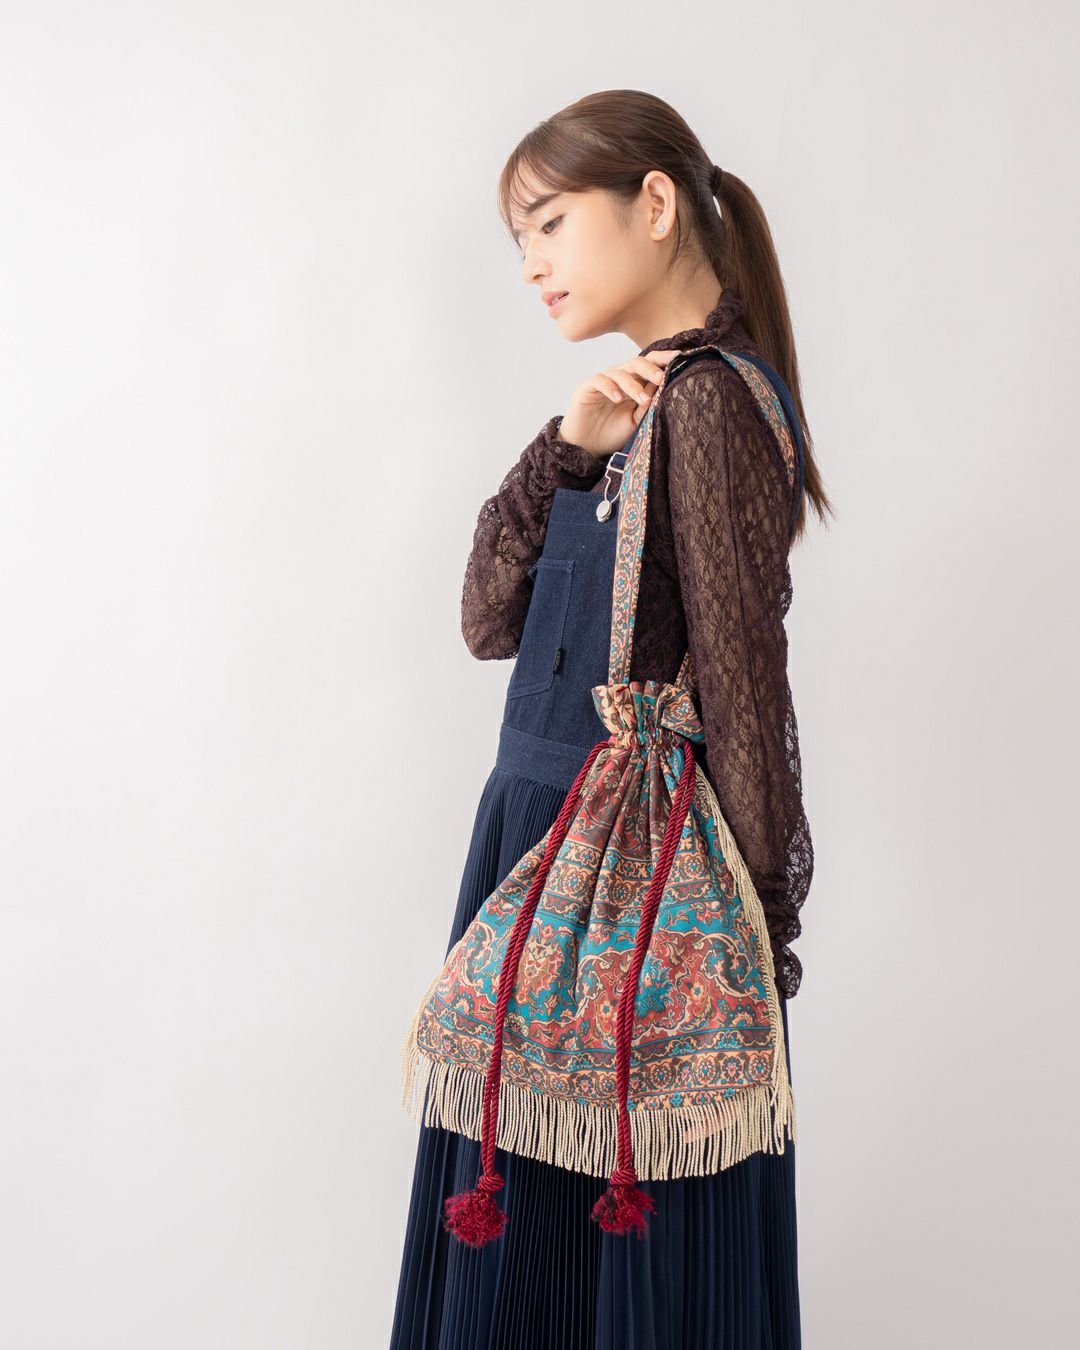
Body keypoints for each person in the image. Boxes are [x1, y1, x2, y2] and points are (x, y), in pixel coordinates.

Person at [390, 88, 833, 1350]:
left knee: (595, 1260)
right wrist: (568, 448)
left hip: (625, 895)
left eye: (548, 223)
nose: (531, 264)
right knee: (535, 1256)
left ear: (653, 203)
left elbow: (746, 685)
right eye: (517, 240)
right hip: (541, 854)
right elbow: (489, 622)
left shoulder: (712, 404)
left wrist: (756, 931)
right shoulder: (639, 409)